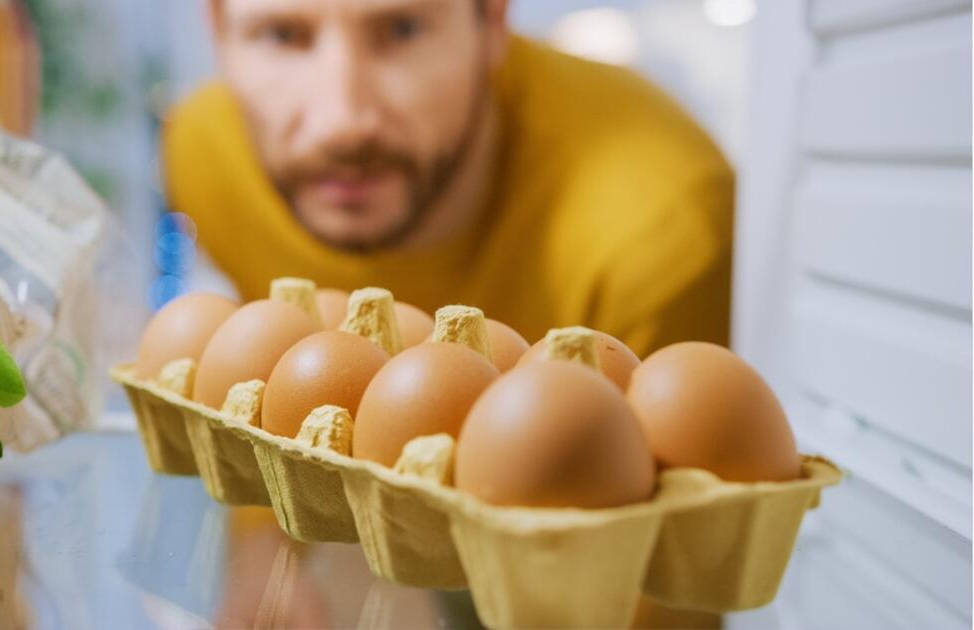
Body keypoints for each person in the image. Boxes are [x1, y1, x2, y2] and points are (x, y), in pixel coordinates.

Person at [161, 0, 732, 626]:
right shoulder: (209, 156)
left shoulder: (657, 228)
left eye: (402, 29)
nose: (342, 123)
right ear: (218, 34)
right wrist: (265, 543)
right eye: (282, 34)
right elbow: (274, 369)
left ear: (492, 24)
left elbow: (655, 585)